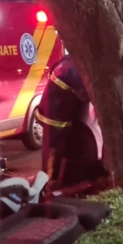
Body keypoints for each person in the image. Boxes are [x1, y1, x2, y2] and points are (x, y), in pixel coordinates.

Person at [35, 57, 90, 185]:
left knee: (53, 149)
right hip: (55, 117)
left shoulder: (68, 62)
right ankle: (46, 183)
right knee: (52, 150)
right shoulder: (74, 70)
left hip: (52, 112)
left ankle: (51, 180)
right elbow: (84, 96)